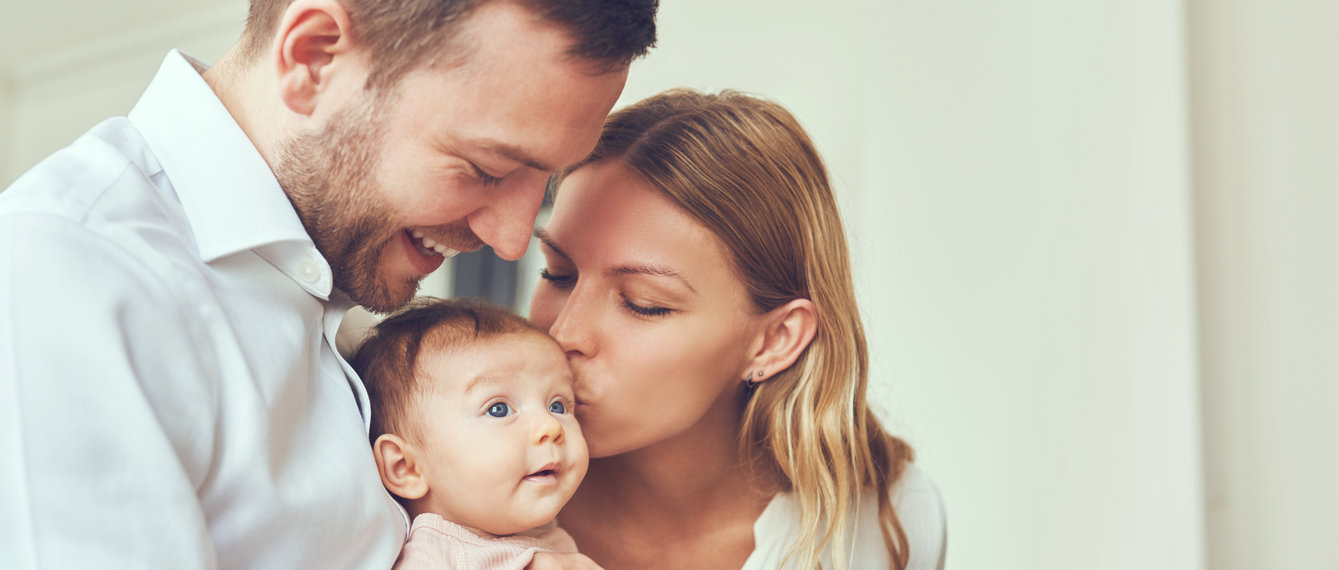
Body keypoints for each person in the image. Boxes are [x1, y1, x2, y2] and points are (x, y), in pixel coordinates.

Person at [0, 0, 656, 567]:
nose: (511, 239)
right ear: (313, 57)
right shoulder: (71, 272)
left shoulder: (324, 283)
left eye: (542, 181)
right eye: (485, 168)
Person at [528, 89, 948, 570]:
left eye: (644, 304)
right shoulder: (443, 503)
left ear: (775, 340)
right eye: (556, 274)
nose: (563, 334)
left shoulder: (889, 522)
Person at [350, 298, 588, 570]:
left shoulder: (547, 535)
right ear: (406, 467)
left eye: (557, 405)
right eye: (498, 409)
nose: (550, 426)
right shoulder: (435, 559)